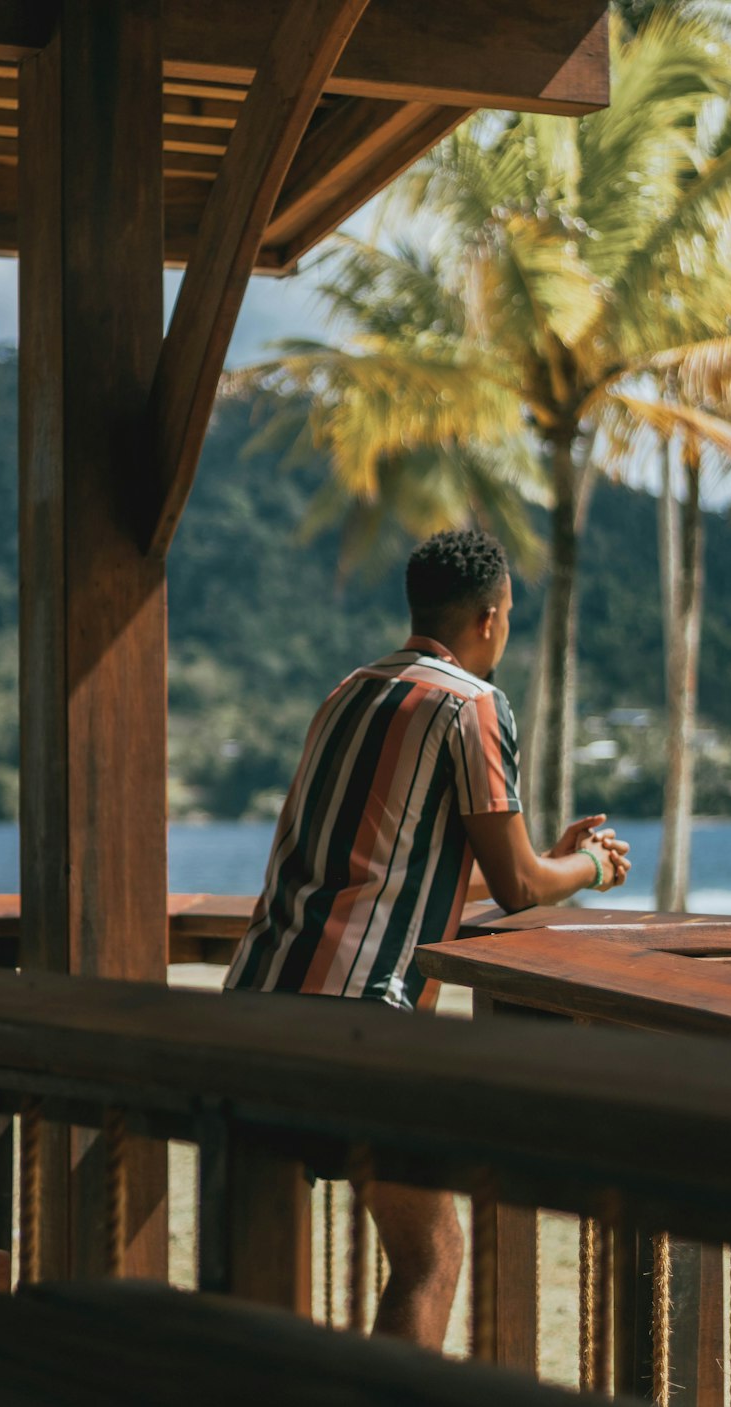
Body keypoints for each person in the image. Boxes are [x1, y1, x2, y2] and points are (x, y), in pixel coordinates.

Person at [224, 529, 630, 1348]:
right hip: (356, 1022)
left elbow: (397, 871)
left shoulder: (349, 691)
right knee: (431, 1256)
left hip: (254, 1006)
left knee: (257, 1270)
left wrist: (539, 858)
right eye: (509, 617)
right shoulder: (471, 705)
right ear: (489, 618)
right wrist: (588, 866)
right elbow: (517, 889)